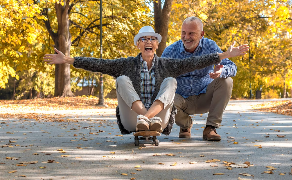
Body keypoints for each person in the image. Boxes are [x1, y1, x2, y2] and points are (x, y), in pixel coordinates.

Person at [44, 26, 248, 135]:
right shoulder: (126, 64)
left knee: (170, 81)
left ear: (157, 45)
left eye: (152, 39)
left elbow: (197, 61)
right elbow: (99, 63)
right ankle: (145, 117)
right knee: (122, 79)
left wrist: (222, 55)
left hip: (160, 120)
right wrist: (69, 59)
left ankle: (150, 118)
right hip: (133, 118)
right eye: (143, 39)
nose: (148, 42)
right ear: (138, 45)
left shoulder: (167, 64)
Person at [162, 16, 240, 141]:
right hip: (181, 99)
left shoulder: (210, 46)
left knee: (227, 81)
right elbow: (159, 76)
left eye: (191, 33)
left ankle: (210, 128)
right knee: (163, 97)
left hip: (205, 96)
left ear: (201, 34)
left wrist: (222, 71)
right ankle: (185, 125)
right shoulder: (171, 51)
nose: (186, 37)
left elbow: (232, 67)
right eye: (184, 33)